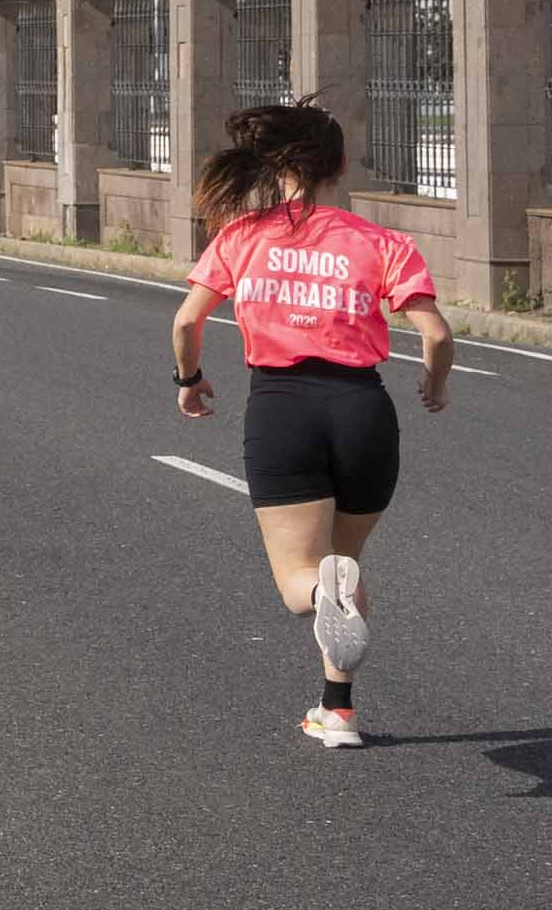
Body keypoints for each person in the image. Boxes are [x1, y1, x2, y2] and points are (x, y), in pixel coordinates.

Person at [175, 102, 449, 748]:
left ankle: (335, 682)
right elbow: (435, 333)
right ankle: (339, 712)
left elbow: (187, 322)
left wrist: (190, 380)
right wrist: (435, 382)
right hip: (365, 411)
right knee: (342, 569)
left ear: (273, 164)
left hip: (283, 408)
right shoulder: (381, 242)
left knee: (306, 583)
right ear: (341, 165)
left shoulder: (242, 236)